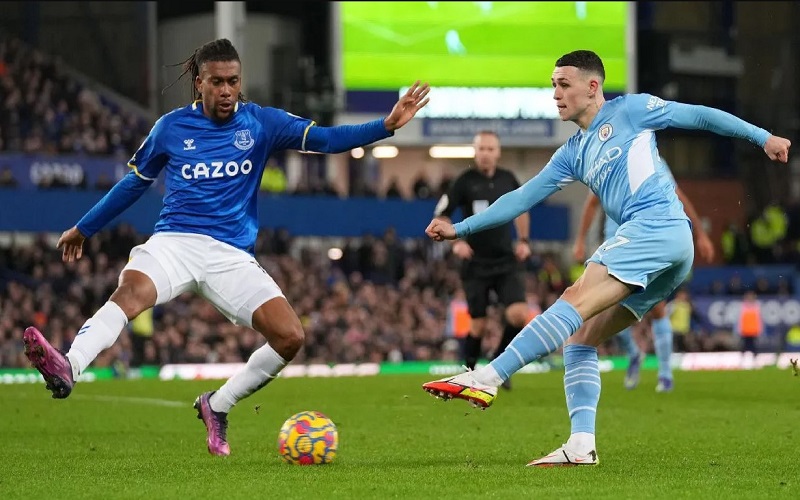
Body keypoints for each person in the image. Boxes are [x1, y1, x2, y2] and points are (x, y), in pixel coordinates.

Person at [21, 38, 430, 457]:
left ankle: (218, 404)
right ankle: (70, 365)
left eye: (233, 81)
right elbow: (133, 184)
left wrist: (385, 126)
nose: (227, 91)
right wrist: (85, 227)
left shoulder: (261, 123)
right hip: (175, 242)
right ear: (199, 83)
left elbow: (326, 139)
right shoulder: (171, 128)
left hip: (231, 255)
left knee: (290, 337)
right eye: (217, 82)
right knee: (130, 294)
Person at [421, 49, 790, 466]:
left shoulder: (630, 110)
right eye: (553, 86)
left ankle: (489, 375)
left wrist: (763, 137)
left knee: (572, 299)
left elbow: (701, 116)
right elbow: (520, 198)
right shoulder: (572, 153)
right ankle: (581, 445)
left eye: (564, 85)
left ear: (592, 86)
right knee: (581, 340)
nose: (555, 95)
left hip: (657, 227)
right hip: (666, 249)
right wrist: (460, 228)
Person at [571, 175, 715, 392]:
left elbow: (679, 196)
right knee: (606, 308)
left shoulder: (654, 162)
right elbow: (592, 203)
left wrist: (700, 234)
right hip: (616, 246)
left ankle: (665, 373)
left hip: (646, 242)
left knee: (657, 307)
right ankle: (633, 352)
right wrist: (580, 239)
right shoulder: (606, 163)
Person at [433, 130, 533, 389]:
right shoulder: (464, 182)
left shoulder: (508, 179)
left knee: (518, 314)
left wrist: (523, 240)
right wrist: (457, 242)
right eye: (481, 149)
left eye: (490, 149)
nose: (486, 153)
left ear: (498, 152)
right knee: (478, 324)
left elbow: (522, 209)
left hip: (505, 260)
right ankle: (467, 374)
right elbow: (442, 214)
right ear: (475, 152)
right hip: (476, 262)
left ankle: (498, 364)